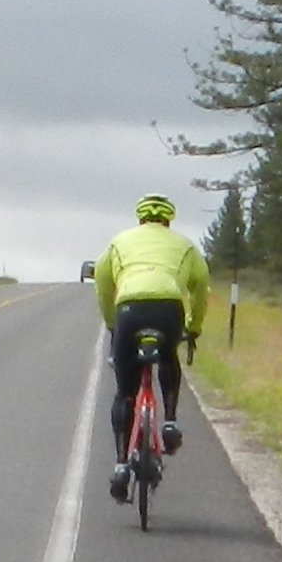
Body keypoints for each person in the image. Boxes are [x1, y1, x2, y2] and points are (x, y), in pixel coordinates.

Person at [90, 192, 210, 499]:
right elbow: (200, 289)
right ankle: (169, 422)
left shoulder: (119, 242)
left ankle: (120, 465)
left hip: (129, 309)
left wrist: (113, 324)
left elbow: (103, 286)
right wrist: (193, 328)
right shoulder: (185, 245)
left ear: (140, 218)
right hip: (169, 308)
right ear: (168, 220)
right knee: (169, 357)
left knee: (125, 391)